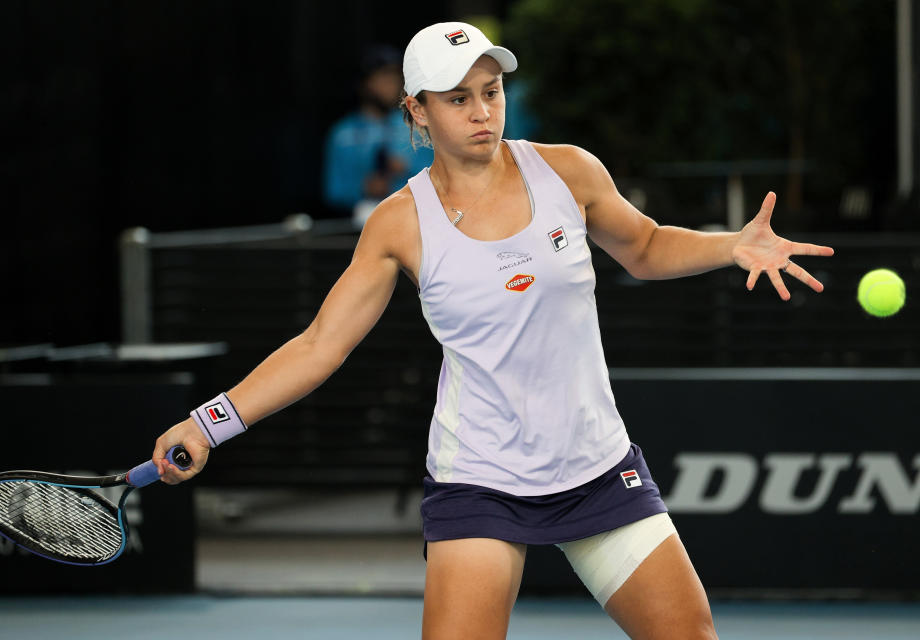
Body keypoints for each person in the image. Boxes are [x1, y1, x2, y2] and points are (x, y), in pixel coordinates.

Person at [152, 22, 834, 640]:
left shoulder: (571, 171)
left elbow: (647, 247)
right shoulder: (398, 222)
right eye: (457, 98)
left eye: (491, 90)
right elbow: (319, 346)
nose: (482, 111)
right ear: (417, 110)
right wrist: (209, 424)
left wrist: (730, 246)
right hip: (480, 480)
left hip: (597, 467)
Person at [322, 44, 433, 224]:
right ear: (364, 83)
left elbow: (443, 178)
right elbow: (333, 191)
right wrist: (363, 188)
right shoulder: (343, 133)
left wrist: (408, 169)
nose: (390, 85)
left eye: (394, 77)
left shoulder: (418, 124)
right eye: (382, 77)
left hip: (418, 221)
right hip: (364, 223)